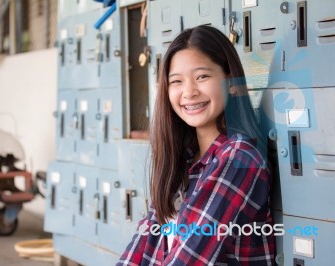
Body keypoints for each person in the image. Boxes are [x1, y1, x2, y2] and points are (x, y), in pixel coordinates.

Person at [117, 25, 275, 265]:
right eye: (176, 81)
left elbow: (190, 257)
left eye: (202, 77)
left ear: (231, 82)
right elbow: (145, 243)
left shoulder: (238, 158)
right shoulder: (183, 158)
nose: (189, 92)